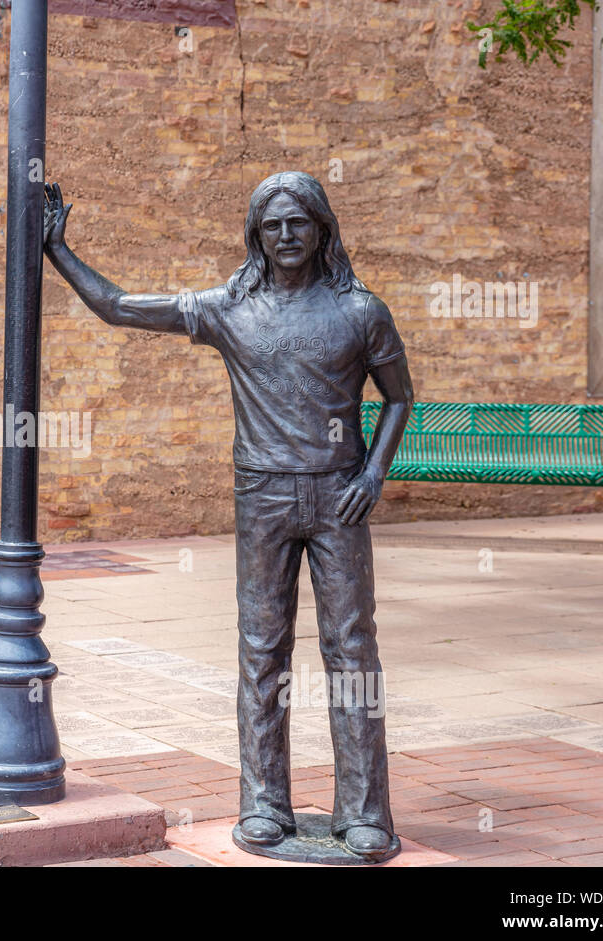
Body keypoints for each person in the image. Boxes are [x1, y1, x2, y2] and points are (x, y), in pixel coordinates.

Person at [40, 172, 414, 861]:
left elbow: (398, 397)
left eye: (298, 222)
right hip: (263, 496)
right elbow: (119, 306)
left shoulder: (361, 311)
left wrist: (372, 473)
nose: (285, 236)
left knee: (352, 651)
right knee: (261, 649)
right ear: (255, 236)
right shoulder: (229, 308)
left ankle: (365, 811)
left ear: (322, 228)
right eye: (271, 226)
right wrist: (58, 251)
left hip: (338, 496)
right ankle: (264, 803)